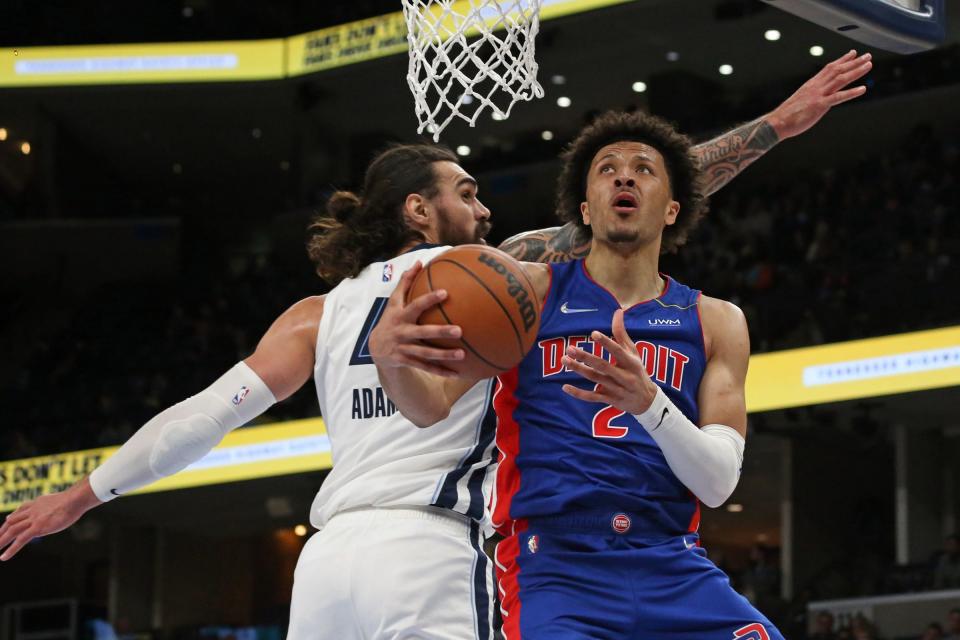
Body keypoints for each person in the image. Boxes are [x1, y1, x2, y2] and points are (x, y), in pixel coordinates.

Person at [0, 51, 870, 639]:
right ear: (421, 212)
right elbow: (624, 216)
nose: (484, 207)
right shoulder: (502, 271)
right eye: (465, 189)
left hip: (328, 558)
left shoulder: (318, 312)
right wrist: (777, 130)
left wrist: (83, 496)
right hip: (436, 549)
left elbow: (202, 417)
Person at [372, 110, 791, 638]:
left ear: (672, 211)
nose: (624, 176)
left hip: (672, 563)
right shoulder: (529, 293)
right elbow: (427, 405)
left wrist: (650, 405)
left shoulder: (716, 320)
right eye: (607, 168)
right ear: (586, 210)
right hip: (556, 566)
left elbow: (717, 484)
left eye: (644, 169)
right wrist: (389, 359)